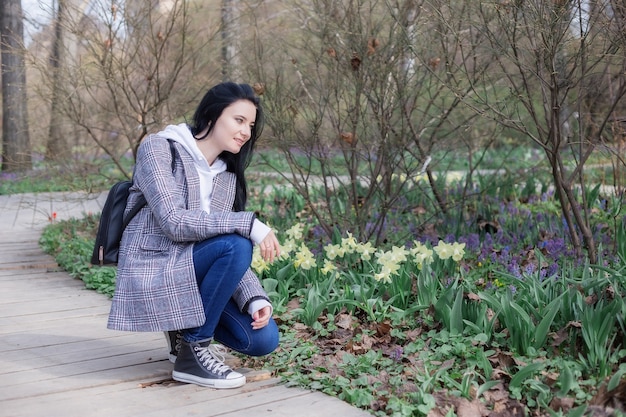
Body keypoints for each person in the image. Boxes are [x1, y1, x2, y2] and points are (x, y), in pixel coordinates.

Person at [107, 82, 281, 389]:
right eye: (238, 120)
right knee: (238, 243)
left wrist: (254, 297)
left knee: (262, 339)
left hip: (191, 267)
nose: (246, 131)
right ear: (212, 115)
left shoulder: (227, 176)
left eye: (251, 125)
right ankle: (193, 352)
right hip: (156, 267)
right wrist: (249, 224)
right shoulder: (159, 148)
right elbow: (174, 221)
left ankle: (183, 334)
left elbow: (222, 244)